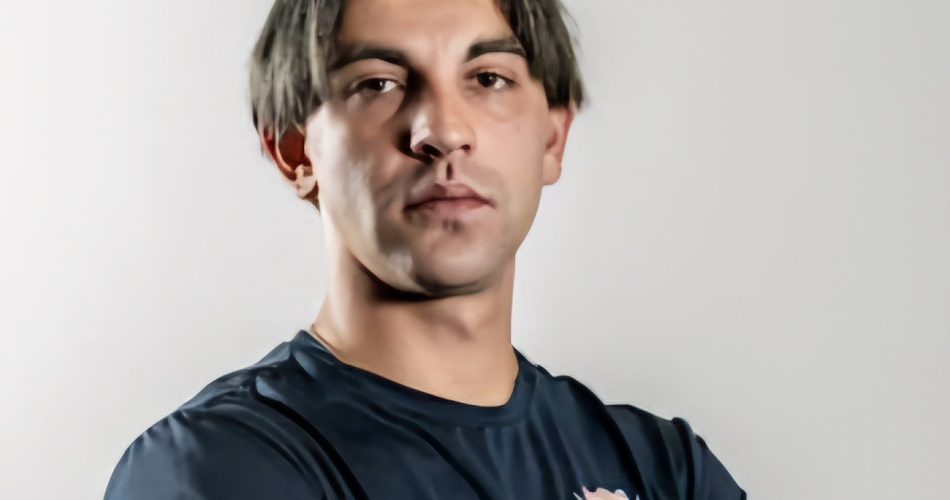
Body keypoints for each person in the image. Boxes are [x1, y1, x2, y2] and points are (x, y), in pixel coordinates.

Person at [104, 0, 746, 498]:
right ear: (296, 151)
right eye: (378, 84)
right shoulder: (218, 467)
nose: (442, 130)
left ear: (553, 139)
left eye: (488, 78)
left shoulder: (663, 469)